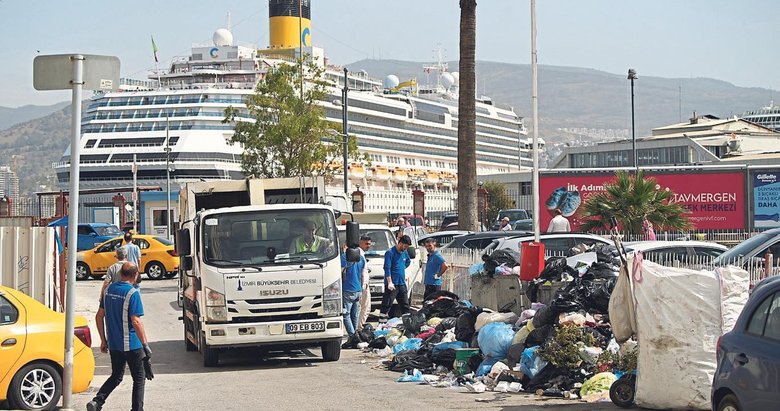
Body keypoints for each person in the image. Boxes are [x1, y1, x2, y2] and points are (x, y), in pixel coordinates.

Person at [88, 262, 149, 411]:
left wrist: (103, 339)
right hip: (132, 344)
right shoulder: (132, 293)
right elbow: (136, 321)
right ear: (135, 276)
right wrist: (145, 344)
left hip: (114, 344)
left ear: (121, 274)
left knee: (116, 375)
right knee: (139, 379)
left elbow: (99, 316)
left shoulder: (108, 290)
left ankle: (97, 402)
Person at [379, 235, 412, 319]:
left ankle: (407, 322)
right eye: (405, 246)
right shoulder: (390, 253)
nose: (405, 248)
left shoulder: (404, 253)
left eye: (407, 247)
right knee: (387, 304)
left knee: (405, 305)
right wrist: (389, 282)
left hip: (401, 283)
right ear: (400, 243)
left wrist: (401, 269)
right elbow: (387, 268)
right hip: (392, 284)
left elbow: (408, 262)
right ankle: (382, 323)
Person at [340, 240, 366, 349]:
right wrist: (361, 288)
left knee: (346, 314)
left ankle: (352, 335)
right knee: (354, 314)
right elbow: (362, 274)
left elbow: (340, 272)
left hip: (347, 289)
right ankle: (353, 338)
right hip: (358, 289)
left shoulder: (344, 257)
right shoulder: (361, 257)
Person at [356, 236, 372, 330]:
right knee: (365, 307)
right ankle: (359, 327)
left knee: (362, 307)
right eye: (366, 244)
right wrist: (362, 285)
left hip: (362, 284)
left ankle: (358, 326)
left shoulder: (361, 253)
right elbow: (360, 272)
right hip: (362, 285)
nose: (368, 246)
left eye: (369, 244)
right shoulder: (359, 254)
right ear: (360, 243)